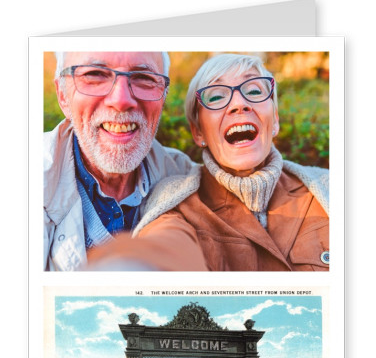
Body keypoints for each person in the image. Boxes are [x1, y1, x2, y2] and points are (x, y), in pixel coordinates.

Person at [87, 53, 329, 271]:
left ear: (274, 119)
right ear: (198, 132)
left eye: (254, 91)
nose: (239, 104)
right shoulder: (176, 204)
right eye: (216, 96)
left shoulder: (328, 188)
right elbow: (165, 246)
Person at [44, 51, 199, 271]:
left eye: (144, 78)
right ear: (62, 95)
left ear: (163, 96)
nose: (121, 101)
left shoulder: (187, 179)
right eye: (95, 74)